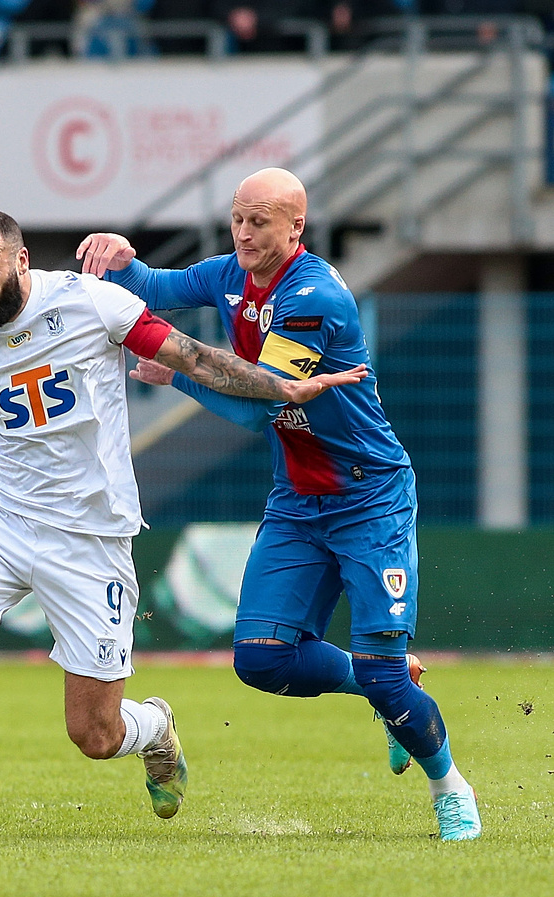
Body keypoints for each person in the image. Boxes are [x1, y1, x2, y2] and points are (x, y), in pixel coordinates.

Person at [0, 210, 364, 841]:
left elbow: (194, 359)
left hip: (92, 538)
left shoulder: (91, 302)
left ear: (21, 261)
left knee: (94, 736)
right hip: (2, 521)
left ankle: (154, 726)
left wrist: (281, 389)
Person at [77, 167, 482, 841]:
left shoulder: (315, 297)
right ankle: (382, 689)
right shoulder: (228, 273)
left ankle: (451, 789)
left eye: (258, 221)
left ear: (295, 228)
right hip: (297, 500)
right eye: (237, 218)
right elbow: (154, 288)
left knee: (385, 675)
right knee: (261, 659)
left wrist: (177, 374)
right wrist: (124, 258)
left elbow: (260, 408)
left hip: (368, 497)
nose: (243, 232)